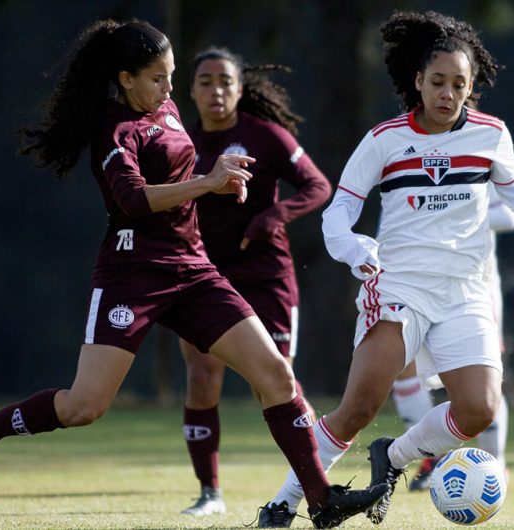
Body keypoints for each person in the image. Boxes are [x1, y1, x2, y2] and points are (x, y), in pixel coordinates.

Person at [0, 19, 386, 529]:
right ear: (126, 78)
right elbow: (134, 200)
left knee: (275, 375)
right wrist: (208, 182)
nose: (168, 88)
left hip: (194, 269)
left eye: (171, 76)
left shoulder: (166, 108)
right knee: (83, 406)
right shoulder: (114, 130)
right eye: (158, 78)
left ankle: (321, 500)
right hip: (131, 274)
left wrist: (221, 187)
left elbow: (185, 177)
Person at [257, 10, 514, 527]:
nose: (447, 92)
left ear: (471, 87)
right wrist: (355, 250)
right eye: (437, 81)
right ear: (418, 81)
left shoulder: (490, 135)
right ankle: (283, 502)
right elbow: (338, 214)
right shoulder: (384, 140)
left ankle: (391, 458)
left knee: (479, 410)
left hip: (465, 292)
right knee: (357, 408)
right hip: (398, 287)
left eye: (460, 84)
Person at [178, 46, 331, 517]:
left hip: (267, 276)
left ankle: (309, 486)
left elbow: (318, 186)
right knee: (202, 377)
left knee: (278, 379)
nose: (216, 90)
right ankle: (209, 492)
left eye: (225, 81)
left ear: (240, 89)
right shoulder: (179, 142)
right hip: (202, 275)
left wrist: (272, 217)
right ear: (191, 90)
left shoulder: (265, 136)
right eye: (205, 81)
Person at [393, 183, 514, 491]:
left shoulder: (480, 158)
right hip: (415, 283)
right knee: (401, 366)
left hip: (473, 285)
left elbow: (509, 216)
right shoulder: (404, 153)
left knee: (483, 374)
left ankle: (494, 463)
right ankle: (433, 456)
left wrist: (451, 214)